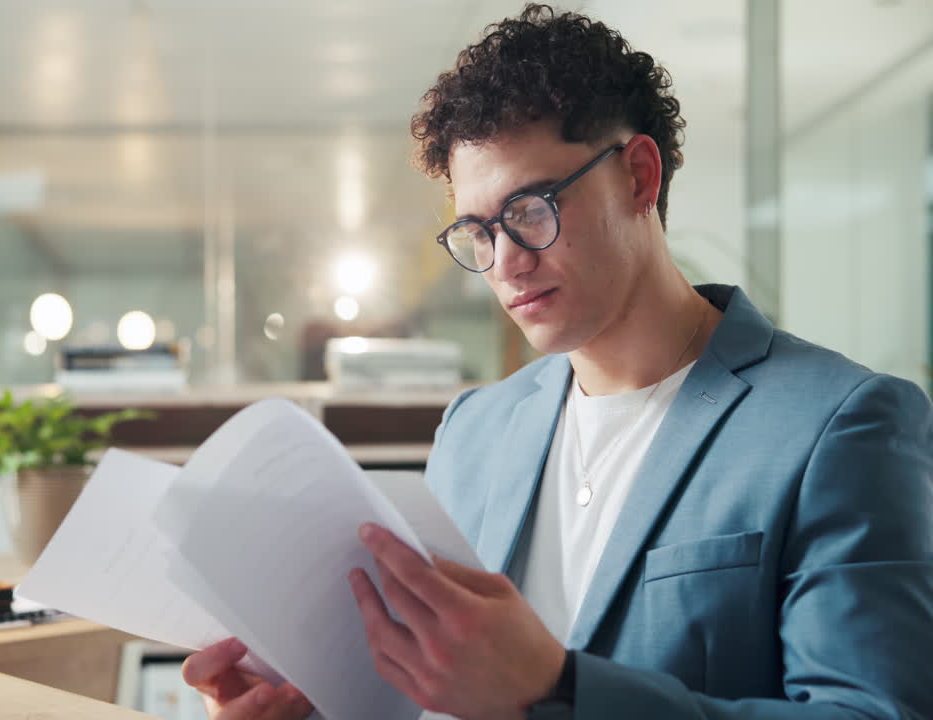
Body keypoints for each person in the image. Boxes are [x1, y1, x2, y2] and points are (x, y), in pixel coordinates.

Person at [181, 5, 933, 719]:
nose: (505, 263)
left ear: (640, 176)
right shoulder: (477, 430)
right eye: (478, 230)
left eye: (531, 210)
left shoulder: (840, 423)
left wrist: (555, 690)